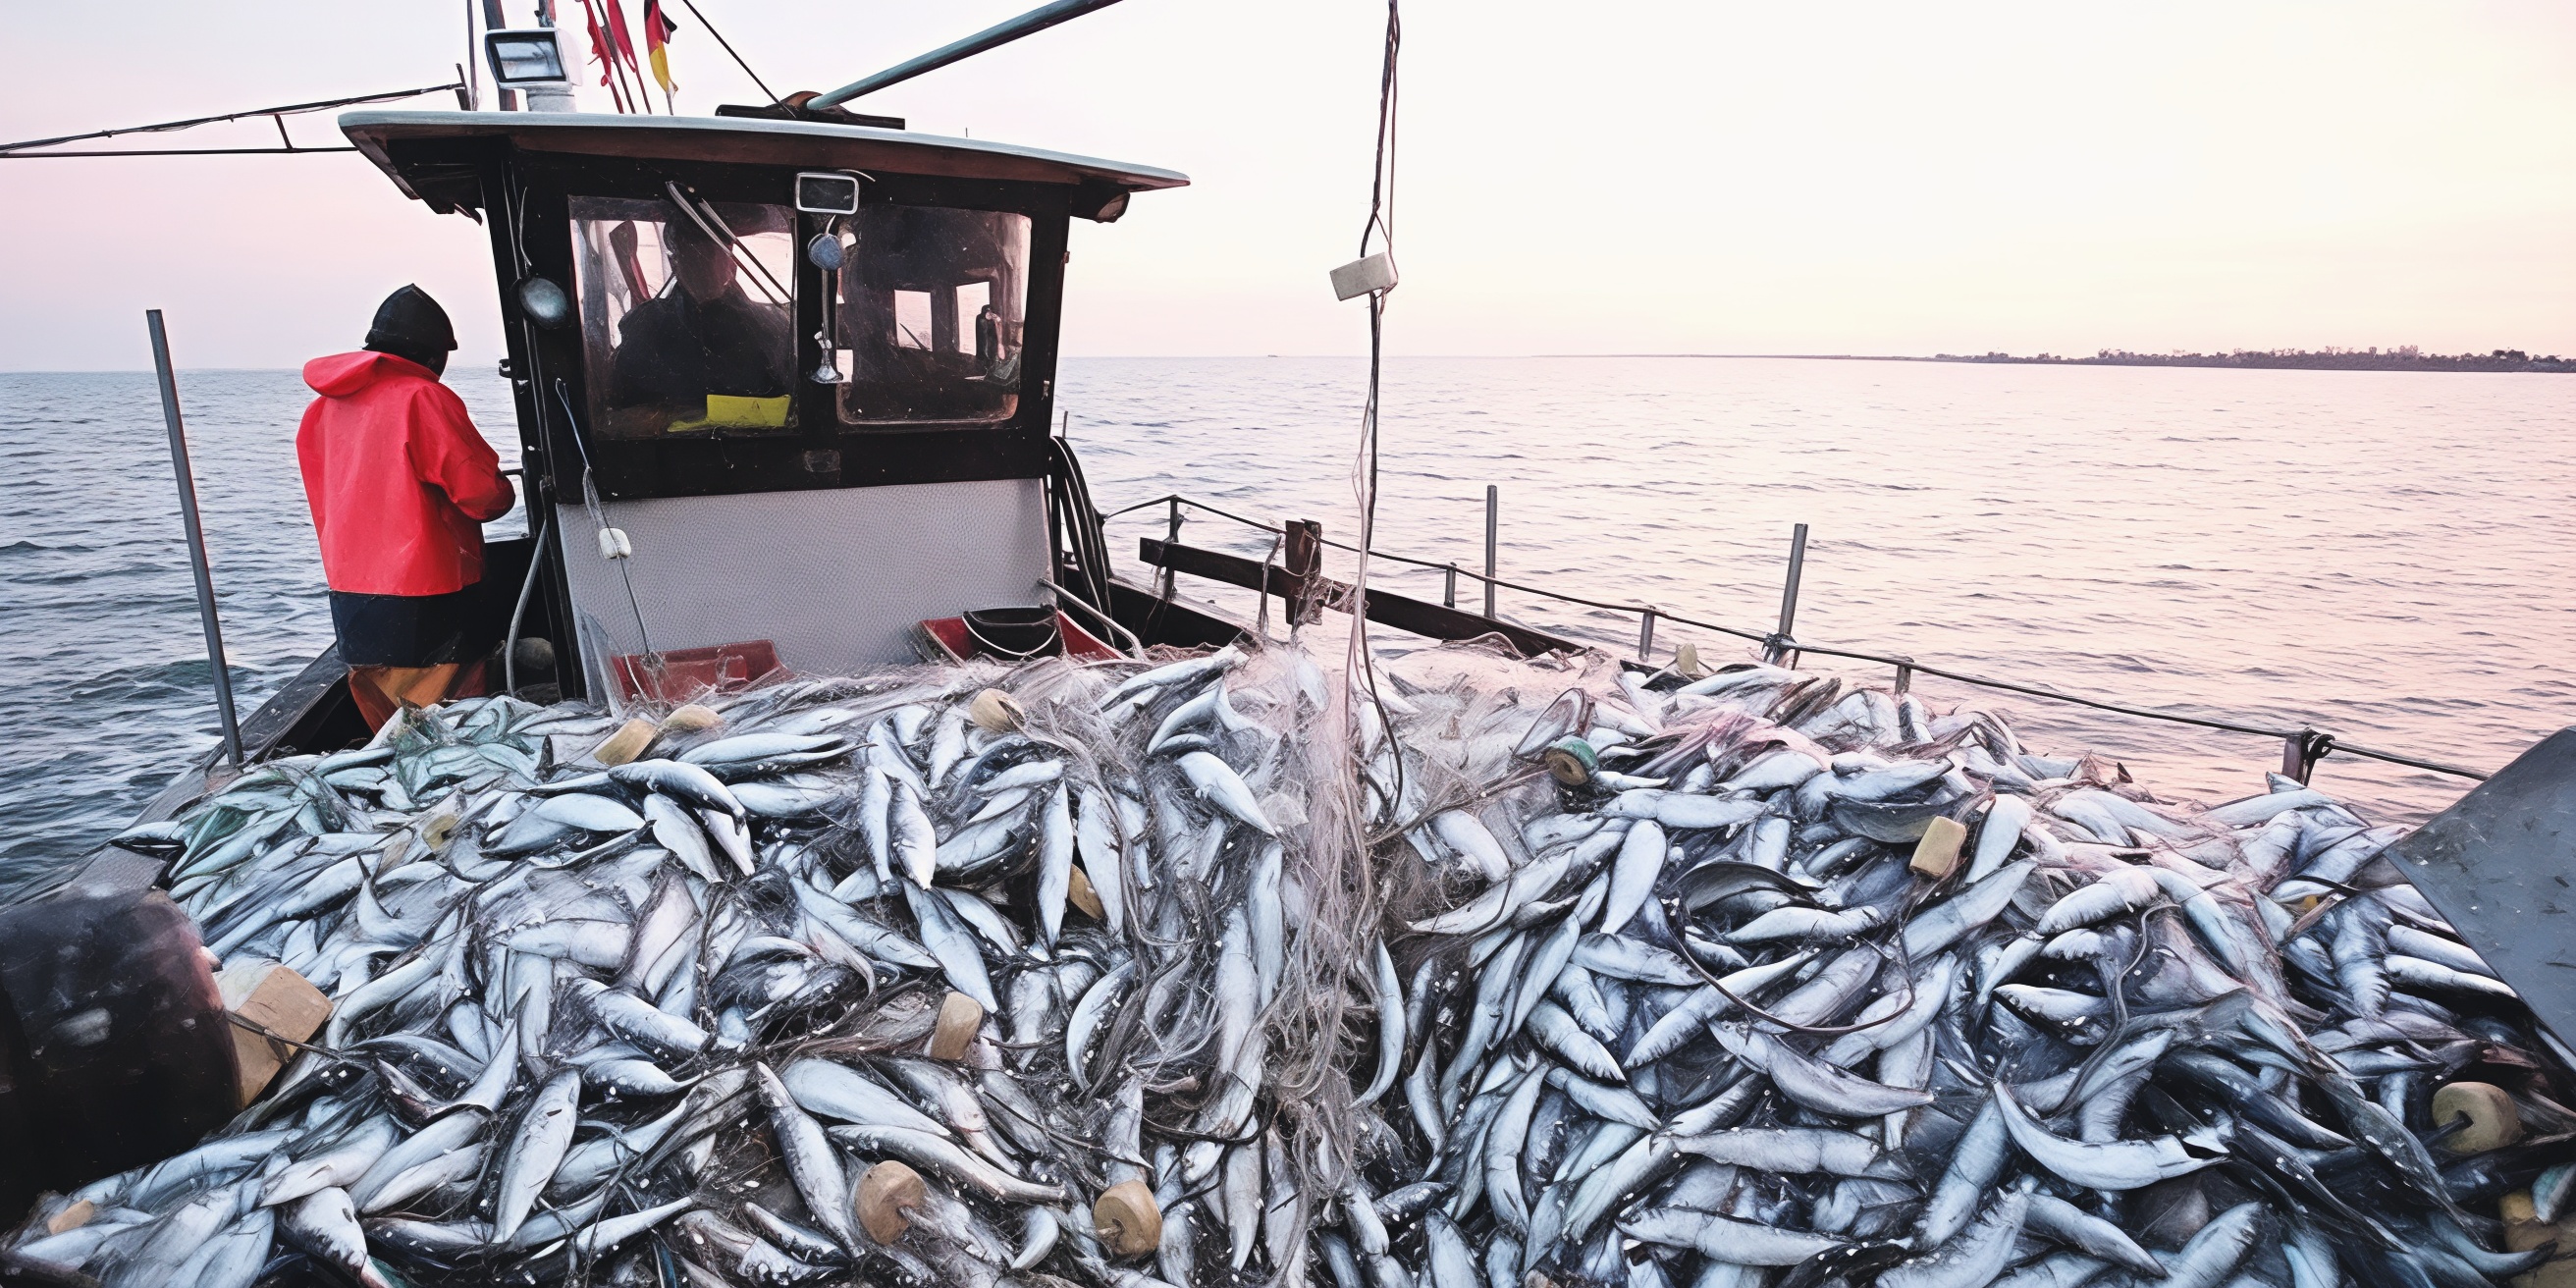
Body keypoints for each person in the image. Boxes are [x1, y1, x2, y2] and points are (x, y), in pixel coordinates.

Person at [296, 285, 517, 728]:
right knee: (455, 735)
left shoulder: (320, 410)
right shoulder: (423, 397)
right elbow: (482, 497)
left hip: (353, 604)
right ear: (434, 355)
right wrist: (505, 488)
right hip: (429, 601)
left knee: (394, 739)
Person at [606, 217, 793, 423]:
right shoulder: (642, 326)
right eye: (691, 254)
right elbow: (619, 411)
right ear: (674, 263)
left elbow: (792, 411)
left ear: (732, 263)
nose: (703, 265)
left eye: (711, 254)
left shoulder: (774, 328)